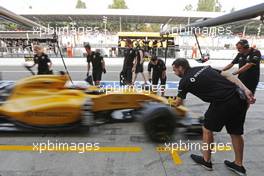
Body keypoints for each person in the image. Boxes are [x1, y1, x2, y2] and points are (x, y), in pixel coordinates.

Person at [172, 58, 256, 175]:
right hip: (239, 97)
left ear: (181, 67)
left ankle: (206, 161)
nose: (175, 73)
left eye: (175, 70)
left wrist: (170, 103)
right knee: (236, 132)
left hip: (222, 102)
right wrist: (245, 89)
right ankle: (238, 165)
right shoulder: (204, 67)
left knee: (207, 129)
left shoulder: (184, 81)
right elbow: (227, 75)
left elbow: (179, 102)